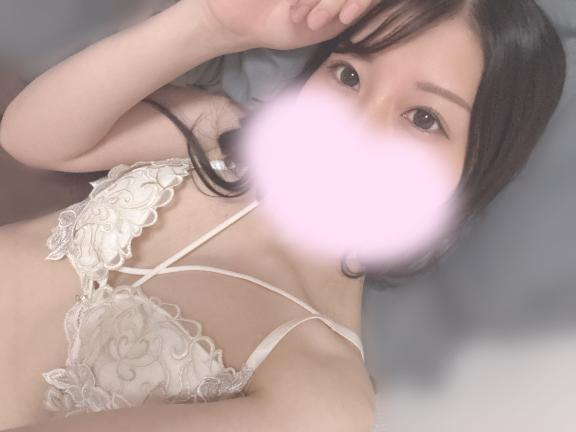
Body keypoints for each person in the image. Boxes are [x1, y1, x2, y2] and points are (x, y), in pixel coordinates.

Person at [0, 0, 565, 431]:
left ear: (471, 174)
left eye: (423, 118)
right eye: (348, 76)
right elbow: (31, 138)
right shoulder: (225, 137)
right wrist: (214, 24)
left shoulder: (320, 393)